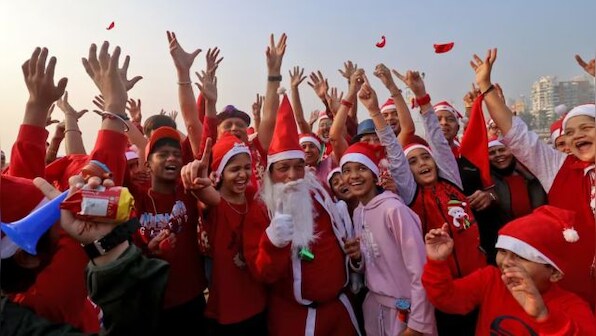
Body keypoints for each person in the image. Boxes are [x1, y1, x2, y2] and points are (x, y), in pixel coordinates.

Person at [472, 48, 596, 309]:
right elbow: (517, 135)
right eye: (570, 132)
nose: (576, 136)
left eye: (586, 128)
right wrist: (485, 87)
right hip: (574, 294)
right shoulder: (559, 167)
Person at [243, 89, 359, 335]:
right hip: (295, 319)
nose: (293, 176)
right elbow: (262, 273)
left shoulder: (319, 193)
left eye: (298, 167)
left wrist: (354, 253)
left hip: (340, 312)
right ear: (271, 173)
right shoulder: (262, 208)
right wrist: (273, 243)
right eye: (284, 168)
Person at [1, 174, 169, 335]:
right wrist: (111, 247)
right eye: (52, 220)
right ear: (27, 258)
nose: (64, 228)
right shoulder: (32, 310)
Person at [422, 205, 596, 335]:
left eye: (520, 256)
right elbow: (447, 299)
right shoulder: (491, 279)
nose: (506, 262)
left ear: (554, 273)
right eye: (503, 251)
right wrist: (437, 263)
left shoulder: (572, 307)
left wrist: (545, 316)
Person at [340, 141, 437, 336]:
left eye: (362, 169)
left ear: (375, 175)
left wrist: (417, 324)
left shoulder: (394, 210)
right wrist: (358, 257)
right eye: (347, 170)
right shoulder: (358, 212)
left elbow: (420, 268)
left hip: (407, 313)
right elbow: (373, 262)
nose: (354, 176)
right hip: (376, 311)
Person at [182, 132, 268, 335]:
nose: (243, 174)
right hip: (229, 311)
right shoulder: (217, 203)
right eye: (235, 169)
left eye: (247, 168)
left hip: (259, 302)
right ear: (220, 173)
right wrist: (198, 179)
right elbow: (206, 194)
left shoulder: (254, 200)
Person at [130, 126, 210, 335]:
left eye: (176, 154)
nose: (172, 159)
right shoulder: (136, 199)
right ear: (148, 165)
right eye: (163, 154)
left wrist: (209, 105)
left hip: (191, 300)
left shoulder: (189, 193)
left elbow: (201, 142)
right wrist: (149, 250)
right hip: (151, 304)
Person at [486, 138, 547, 263]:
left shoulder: (532, 174)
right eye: (492, 153)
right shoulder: (486, 183)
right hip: (506, 242)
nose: (498, 155)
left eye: (502, 150)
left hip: (535, 237)